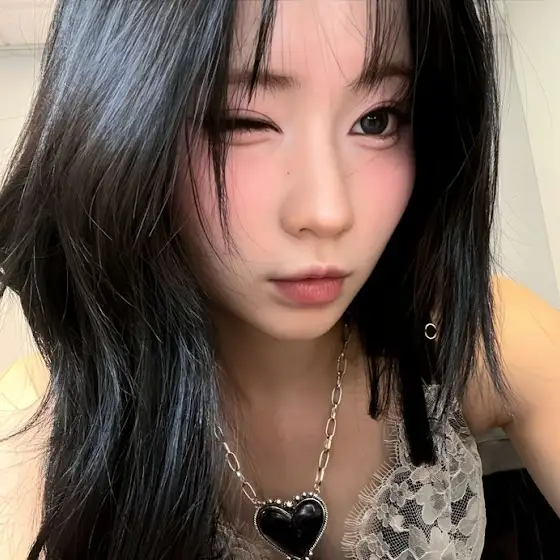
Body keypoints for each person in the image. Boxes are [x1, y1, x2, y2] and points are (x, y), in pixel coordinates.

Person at [0, 0, 559, 559]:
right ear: (117, 127)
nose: (328, 212)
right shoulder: (36, 427)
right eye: (243, 122)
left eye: (378, 119)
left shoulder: (475, 337)